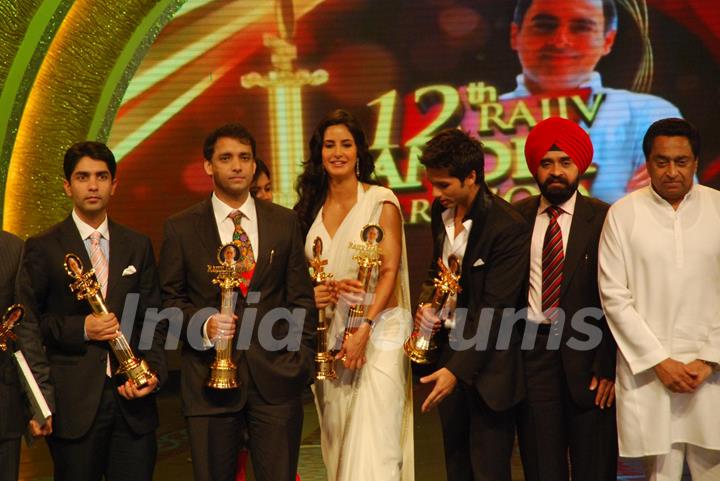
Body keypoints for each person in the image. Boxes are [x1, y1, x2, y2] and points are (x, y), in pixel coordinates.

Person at [159, 123, 316, 481]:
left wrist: (300, 361)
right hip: (208, 384)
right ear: (208, 166)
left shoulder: (283, 221)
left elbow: (301, 299)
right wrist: (203, 324)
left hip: (276, 380)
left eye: (245, 157)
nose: (237, 166)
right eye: (226, 158)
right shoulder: (180, 227)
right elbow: (168, 302)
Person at [16, 141, 167, 481]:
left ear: (115, 184)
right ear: (67, 186)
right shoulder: (43, 246)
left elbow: (154, 317)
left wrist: (152, 373)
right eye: (83, 177)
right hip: (73, 404)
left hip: (134, 404)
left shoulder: (137, 245)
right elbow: (30, 323)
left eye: (101, 176)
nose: (93, 185)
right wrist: (82, 328)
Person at [294, 109, 414, 481]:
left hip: (379, 332)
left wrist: (363, 329)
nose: (338, 152)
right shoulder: (307, 210)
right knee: (339, 442)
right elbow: (304, 276)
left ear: (360, 151)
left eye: (346, 144)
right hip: (328, 338)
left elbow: (389, 271)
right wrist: (316, 293)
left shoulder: (381, 201)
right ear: (319, 153)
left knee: (376, 440)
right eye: (329, 145)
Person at [462, 0, 682, 203]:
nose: (560, 41)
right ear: (514, 35)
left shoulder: (649, 113)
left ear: (608, 40)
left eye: (581, 28)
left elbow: (669, 207)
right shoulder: (473, 119)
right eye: (545, 26)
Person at [599, 118, 720, 480]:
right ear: (647, 163)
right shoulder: (622, 214)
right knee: (659, 476)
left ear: (696, 162)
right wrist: (659, 362)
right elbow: (614, 297)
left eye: (681, 162)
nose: (671, 171)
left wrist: (710, 359)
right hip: (652, 377)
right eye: (661, 161)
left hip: (712, 376)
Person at [414, 128, 529, 481]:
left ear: (472, 176)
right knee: (456, 466)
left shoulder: (506, 226)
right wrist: (426, 306)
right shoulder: (440, 211)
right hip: (448, 349)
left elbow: (497, 311)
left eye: (445, 185)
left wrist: (456, 370)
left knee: (489, 470)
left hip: (488, 366)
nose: (437, 193)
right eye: (433, 184)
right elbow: (439, 269)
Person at [513, 117, 617, 481]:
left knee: (595, 468)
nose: (555, 171)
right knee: (542, 467)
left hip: (591, 362)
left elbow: (616, 297)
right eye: (546, 163)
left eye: (564, 162)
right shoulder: (515, 219)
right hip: (532, 356)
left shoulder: (606, 218)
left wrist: (609, 365)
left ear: (580, 166)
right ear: (534, 168)